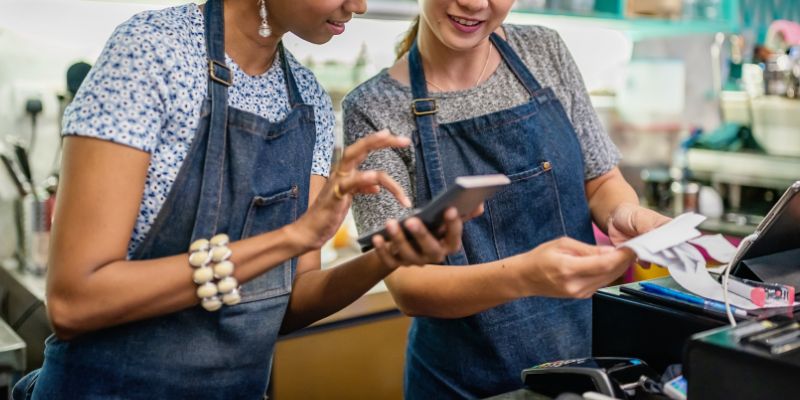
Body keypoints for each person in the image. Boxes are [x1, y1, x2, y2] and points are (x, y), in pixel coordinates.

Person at [12, 0, 468, 398]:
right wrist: (291, 237)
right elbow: (76, 303)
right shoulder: (152, 53)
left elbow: (290, 302)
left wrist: (389, 256)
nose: (360, 5)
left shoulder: (305, 99)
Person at [343, 0, 671, 397]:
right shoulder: (373, 108)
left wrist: (626, 213)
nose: (476, 3)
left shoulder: (544, 52)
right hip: (460, 384)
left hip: (581, 369)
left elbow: (600, 180)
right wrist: (526, 276)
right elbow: (406, 284)